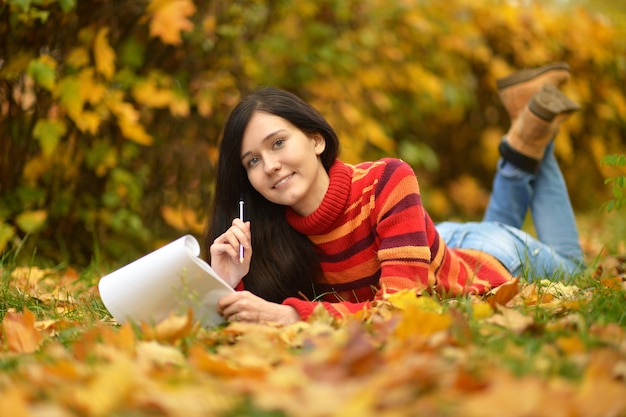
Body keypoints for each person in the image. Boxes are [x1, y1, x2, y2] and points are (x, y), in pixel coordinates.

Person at [204, 62, 585, 325]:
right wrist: (228, 278)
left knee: (575, 267)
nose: (269, 165)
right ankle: (529, 120)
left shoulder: (386, 180)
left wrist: (292, 315)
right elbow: (246, 322)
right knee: (472, 234)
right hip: (422, 245)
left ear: (316, 139)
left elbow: (401, 308)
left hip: (491, 256)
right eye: (252, 161)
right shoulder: (268, 234)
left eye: (278, 143)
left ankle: (532, 132)